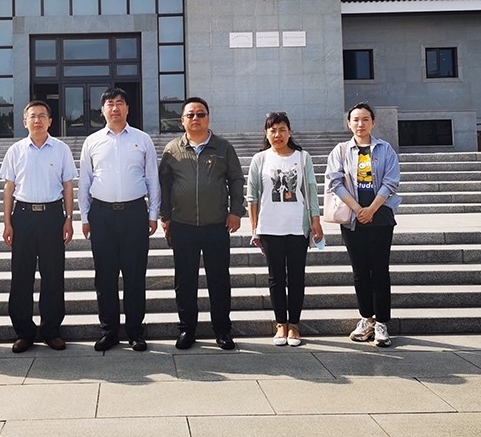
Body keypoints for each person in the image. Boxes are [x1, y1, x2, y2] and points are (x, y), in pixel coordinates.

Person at [158, 97, 245, 350]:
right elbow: (164, 186)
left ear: (208, 117)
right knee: (185, 281)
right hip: (182, 225)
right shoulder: (172, 149)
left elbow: (236, 180)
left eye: (200, 114)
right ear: (182, 120)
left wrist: (235, 211)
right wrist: (165, 217)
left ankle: (222, 330)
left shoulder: (223, 147)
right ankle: (187, 330)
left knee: (219, 280)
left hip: (216, 225)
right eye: (190, 115)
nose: (195, 118)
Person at [79, 87, 160, 352]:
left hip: (134, 213)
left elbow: (152, 178)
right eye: (110, 104)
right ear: (102, 110)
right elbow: (84, 181)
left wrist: (153, 214)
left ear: (127, 108)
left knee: (135, 275)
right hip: (101, 215)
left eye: (120, 103)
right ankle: (109, 332)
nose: (115, 108)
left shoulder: (142, 139)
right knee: (105, 276)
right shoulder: (92, 141)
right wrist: (85, 216)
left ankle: (135, 332)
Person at [0, 100, 77, 353]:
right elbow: (9, 188)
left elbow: (68, 185)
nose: (37, 120)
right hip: (23, 216)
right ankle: (24, 332)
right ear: (24, 122)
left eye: (42, 116)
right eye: (32, 116)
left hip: (52, 216)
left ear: (50, 121)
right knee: (21, 276)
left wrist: (69, 218)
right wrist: (7, 222)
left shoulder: (61, 149)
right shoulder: (15, 150)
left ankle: (51, 330)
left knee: (53, 275)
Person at [325, 102, 401, 347]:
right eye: (356, 120)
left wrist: (371, 210)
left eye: (365, 119)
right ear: (349, 124)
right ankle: (366, 319)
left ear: (373, 122)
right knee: (360, 270)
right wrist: (359, 210)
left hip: (380, 217)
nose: (360, 124)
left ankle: (382, 324)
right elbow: (335, 182)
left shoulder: (385, 149)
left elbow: (391, 182)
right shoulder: (340, 151)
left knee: (380, 270)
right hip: (352, 219)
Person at [246, 111, 324, 347]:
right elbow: (252, 197)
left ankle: (294, 326)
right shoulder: (260, 159)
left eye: (282, 129)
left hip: (297, 227)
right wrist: (254, 228)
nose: (277, 134)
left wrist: (315, 220)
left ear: (290, 132)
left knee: (297, 277)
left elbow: (310, 190)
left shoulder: (302, 157)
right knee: (276, 277)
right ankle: (281, 324)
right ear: (266, 133)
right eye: (273, 130)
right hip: (270, 228)